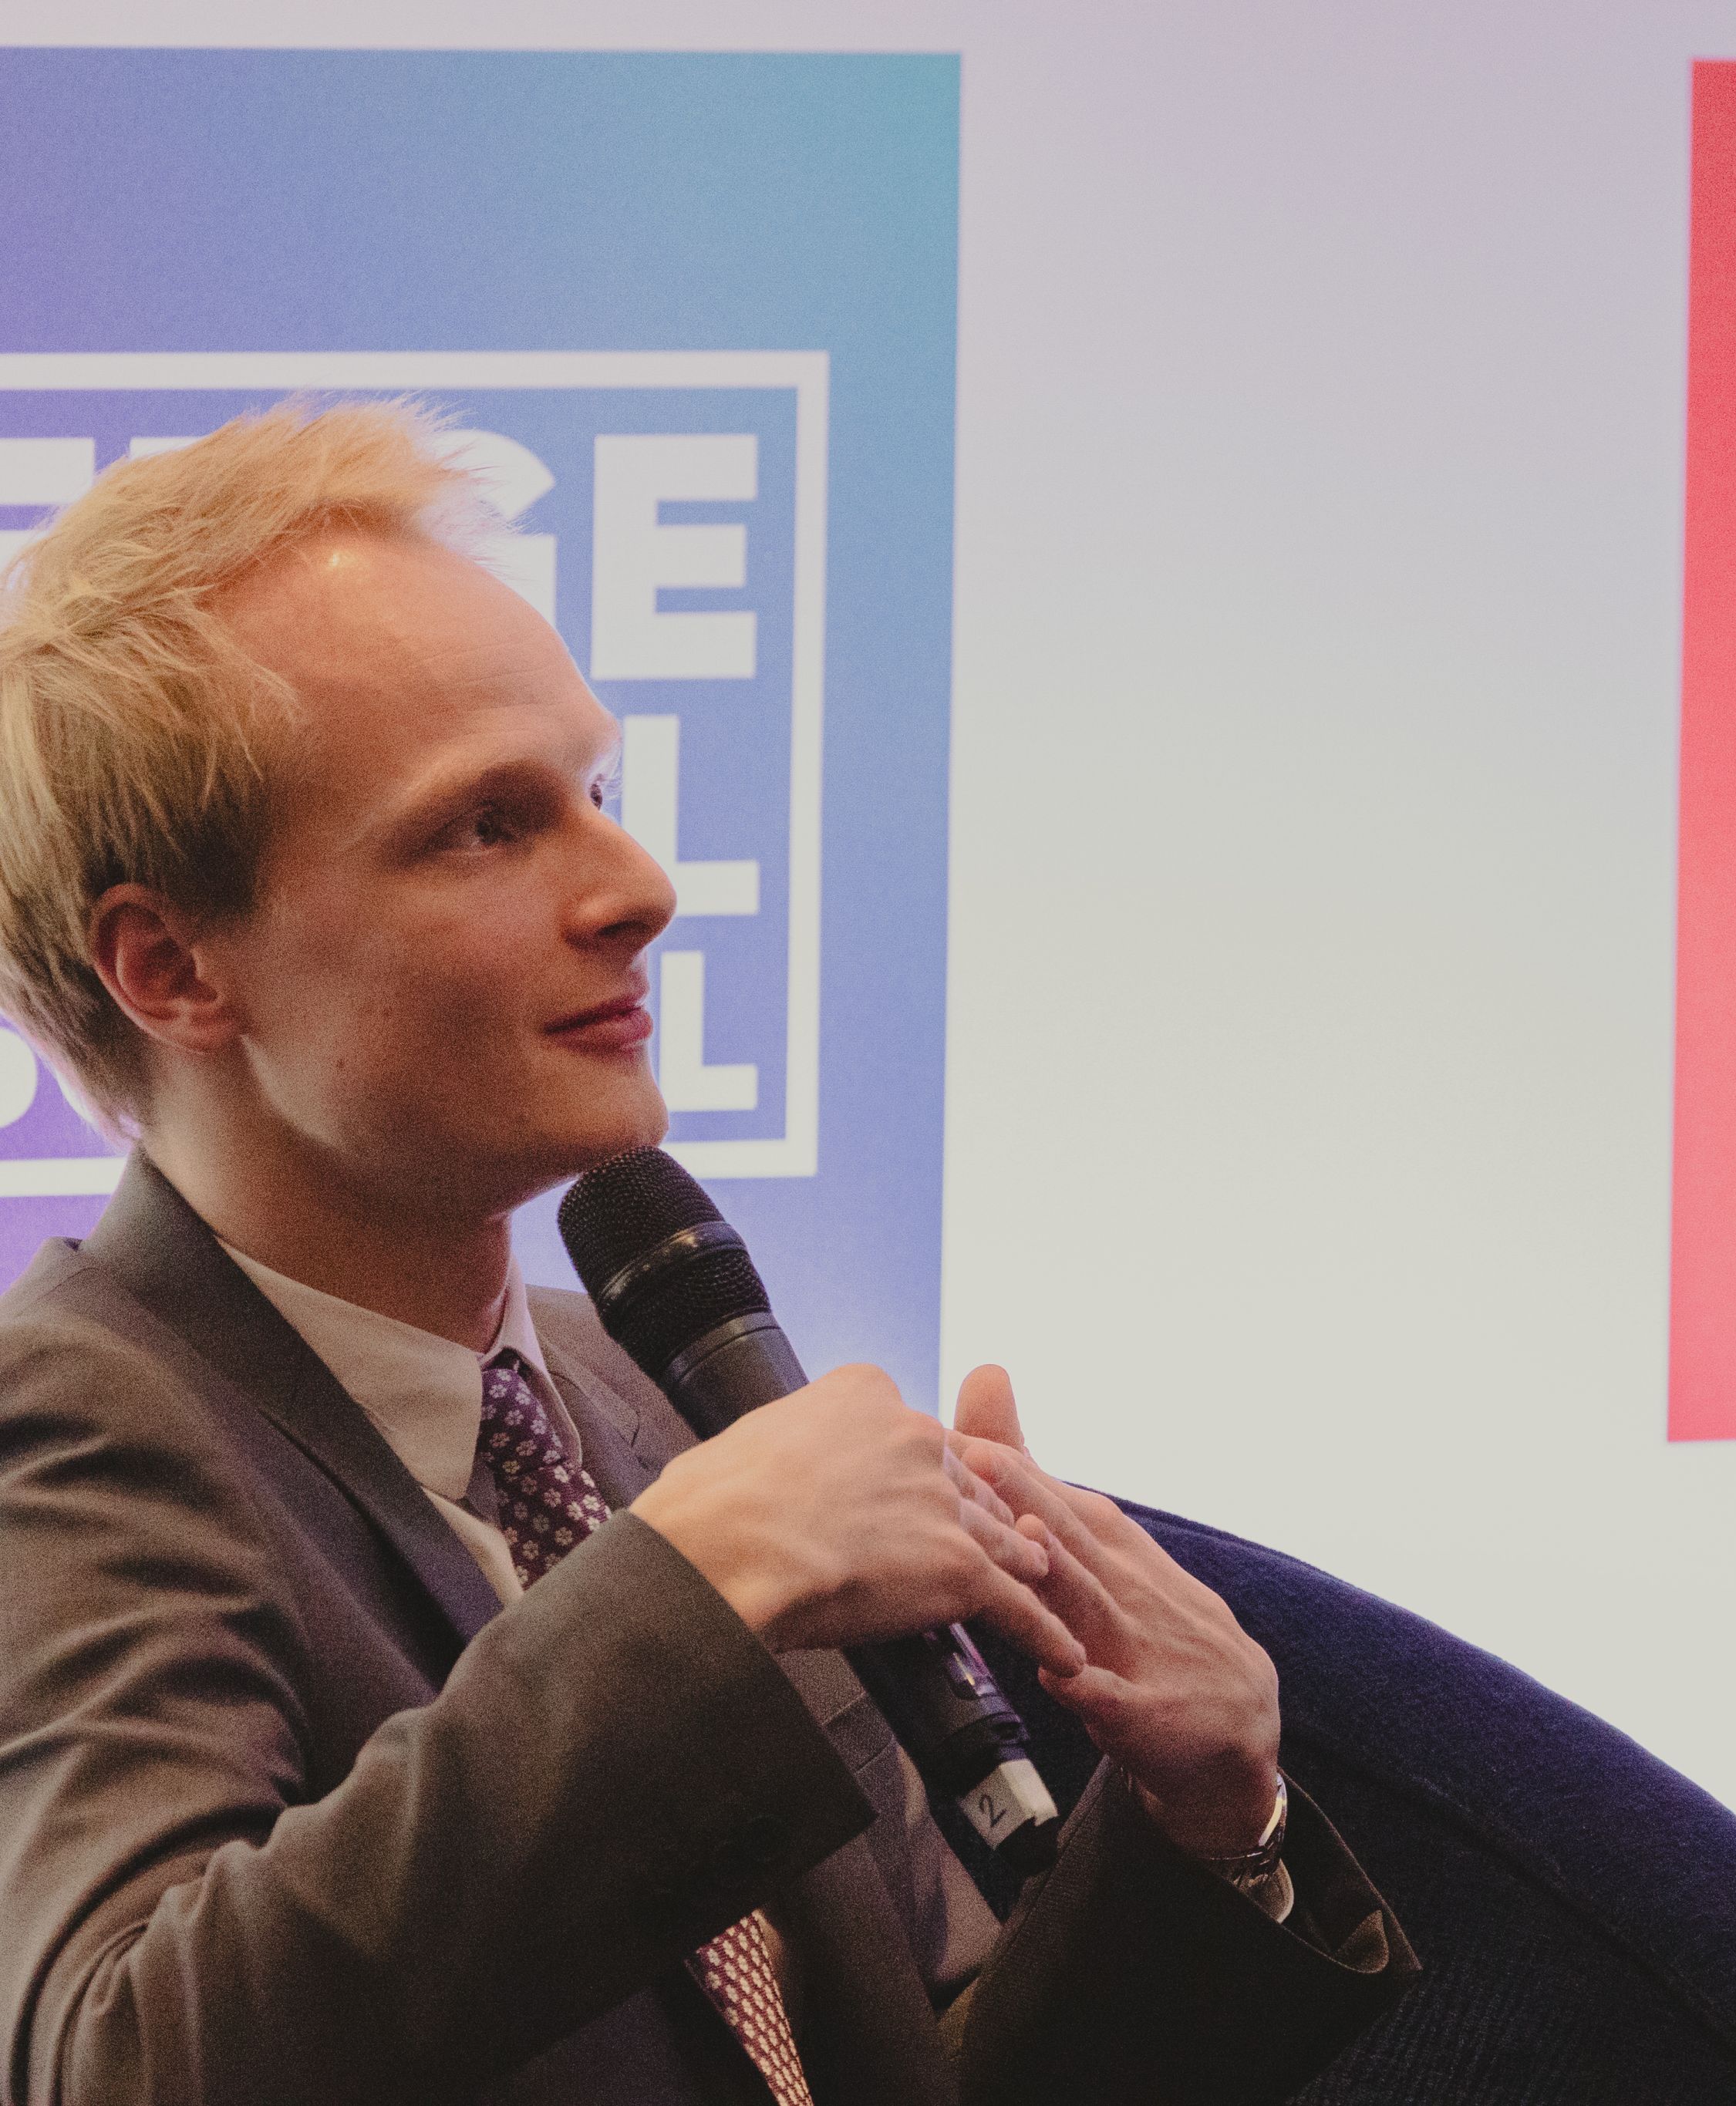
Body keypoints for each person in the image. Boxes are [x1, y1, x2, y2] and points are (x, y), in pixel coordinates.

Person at [0, 401, 1413, 2105]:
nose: (637, 884)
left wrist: (1203, 1825)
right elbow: (114, 2059)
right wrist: (689, 1594)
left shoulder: (626, 1386)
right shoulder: (77, 1425)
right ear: (172, 969)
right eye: (485, 826)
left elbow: (912, 2070)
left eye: (594, 789)